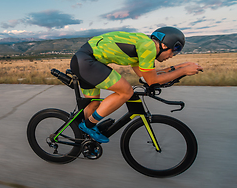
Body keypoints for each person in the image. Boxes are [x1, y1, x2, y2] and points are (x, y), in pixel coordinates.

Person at [70, 27, 203, 143]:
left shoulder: (144, 45)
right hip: (87, 61)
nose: (173, 55)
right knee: (126, 92)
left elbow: (149, 76)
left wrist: (179, 67)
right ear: (164, 44)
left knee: (93, 104)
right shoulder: (148, 47)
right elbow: (153, 81)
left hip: (82, 60)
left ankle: (85, 139)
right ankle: (88, 125)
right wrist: (184, 70)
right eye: (176, 49)